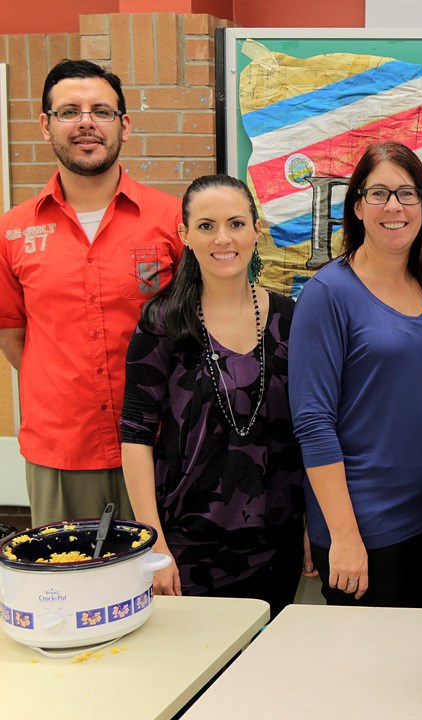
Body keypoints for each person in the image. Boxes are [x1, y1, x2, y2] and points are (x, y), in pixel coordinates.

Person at [0, 59, 182, 527]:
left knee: (165, 588)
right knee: (68, 587)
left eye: (100, 110)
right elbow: (14, 336)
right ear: (45, 126)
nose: (86, 122)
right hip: (61, 451)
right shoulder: (13, 232)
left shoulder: (171, 219)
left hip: (163, 442)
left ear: (124, 124)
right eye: (69, 112)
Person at [120, 175, 304, 618]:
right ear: (184, 235)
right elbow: (135, 434)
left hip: (276, 541)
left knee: (264, 673)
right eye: (206, 226)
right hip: (188, 545)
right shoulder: (163, 322)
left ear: (256, 230)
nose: (223, 238)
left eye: (236, 223)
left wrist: (312, 525)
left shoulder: (291, 319)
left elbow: (310, 431)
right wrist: (154, 543)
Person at [290, 141, 422, 607]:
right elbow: (312, 424)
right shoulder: (327, 294)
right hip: (364, 530)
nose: (394, 207)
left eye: (408, 194)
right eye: (379, 193)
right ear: (358, 206)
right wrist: (342, 535)